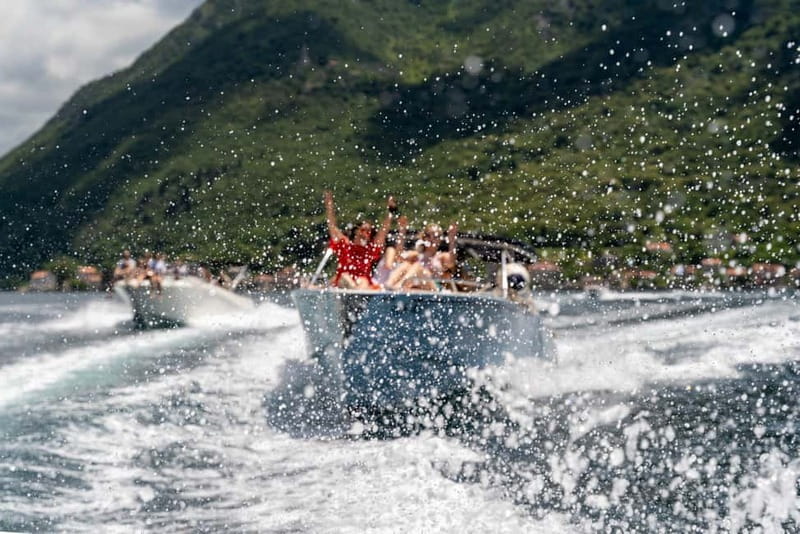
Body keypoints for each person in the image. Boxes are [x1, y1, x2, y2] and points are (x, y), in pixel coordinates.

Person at [324, 190, 394, 288]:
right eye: (363, 230)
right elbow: (332, 226)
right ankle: (354, 290)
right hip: (343, 284)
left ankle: (356, 294)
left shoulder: (370, 249)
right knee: (345, 276)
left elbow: (383, 232)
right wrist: (329, 206)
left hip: (362, 286)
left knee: (362, 280)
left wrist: (390, 212)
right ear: (356, 231)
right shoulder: (345, 245)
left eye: (368, 231)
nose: (365, 234)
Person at [386, 221, 459, 290]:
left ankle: (398, 286)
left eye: (435, 236)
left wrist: (452, 239)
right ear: (424, 238)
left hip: (435, 288)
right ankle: (388, 285)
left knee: (419, 267)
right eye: (428, 235)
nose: (431, 238)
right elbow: (399, 257)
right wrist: (402, 231)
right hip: (417, 287)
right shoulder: (417, 255)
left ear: (440, 239)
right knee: (406, 264)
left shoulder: (441, 257)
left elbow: (451, 263)